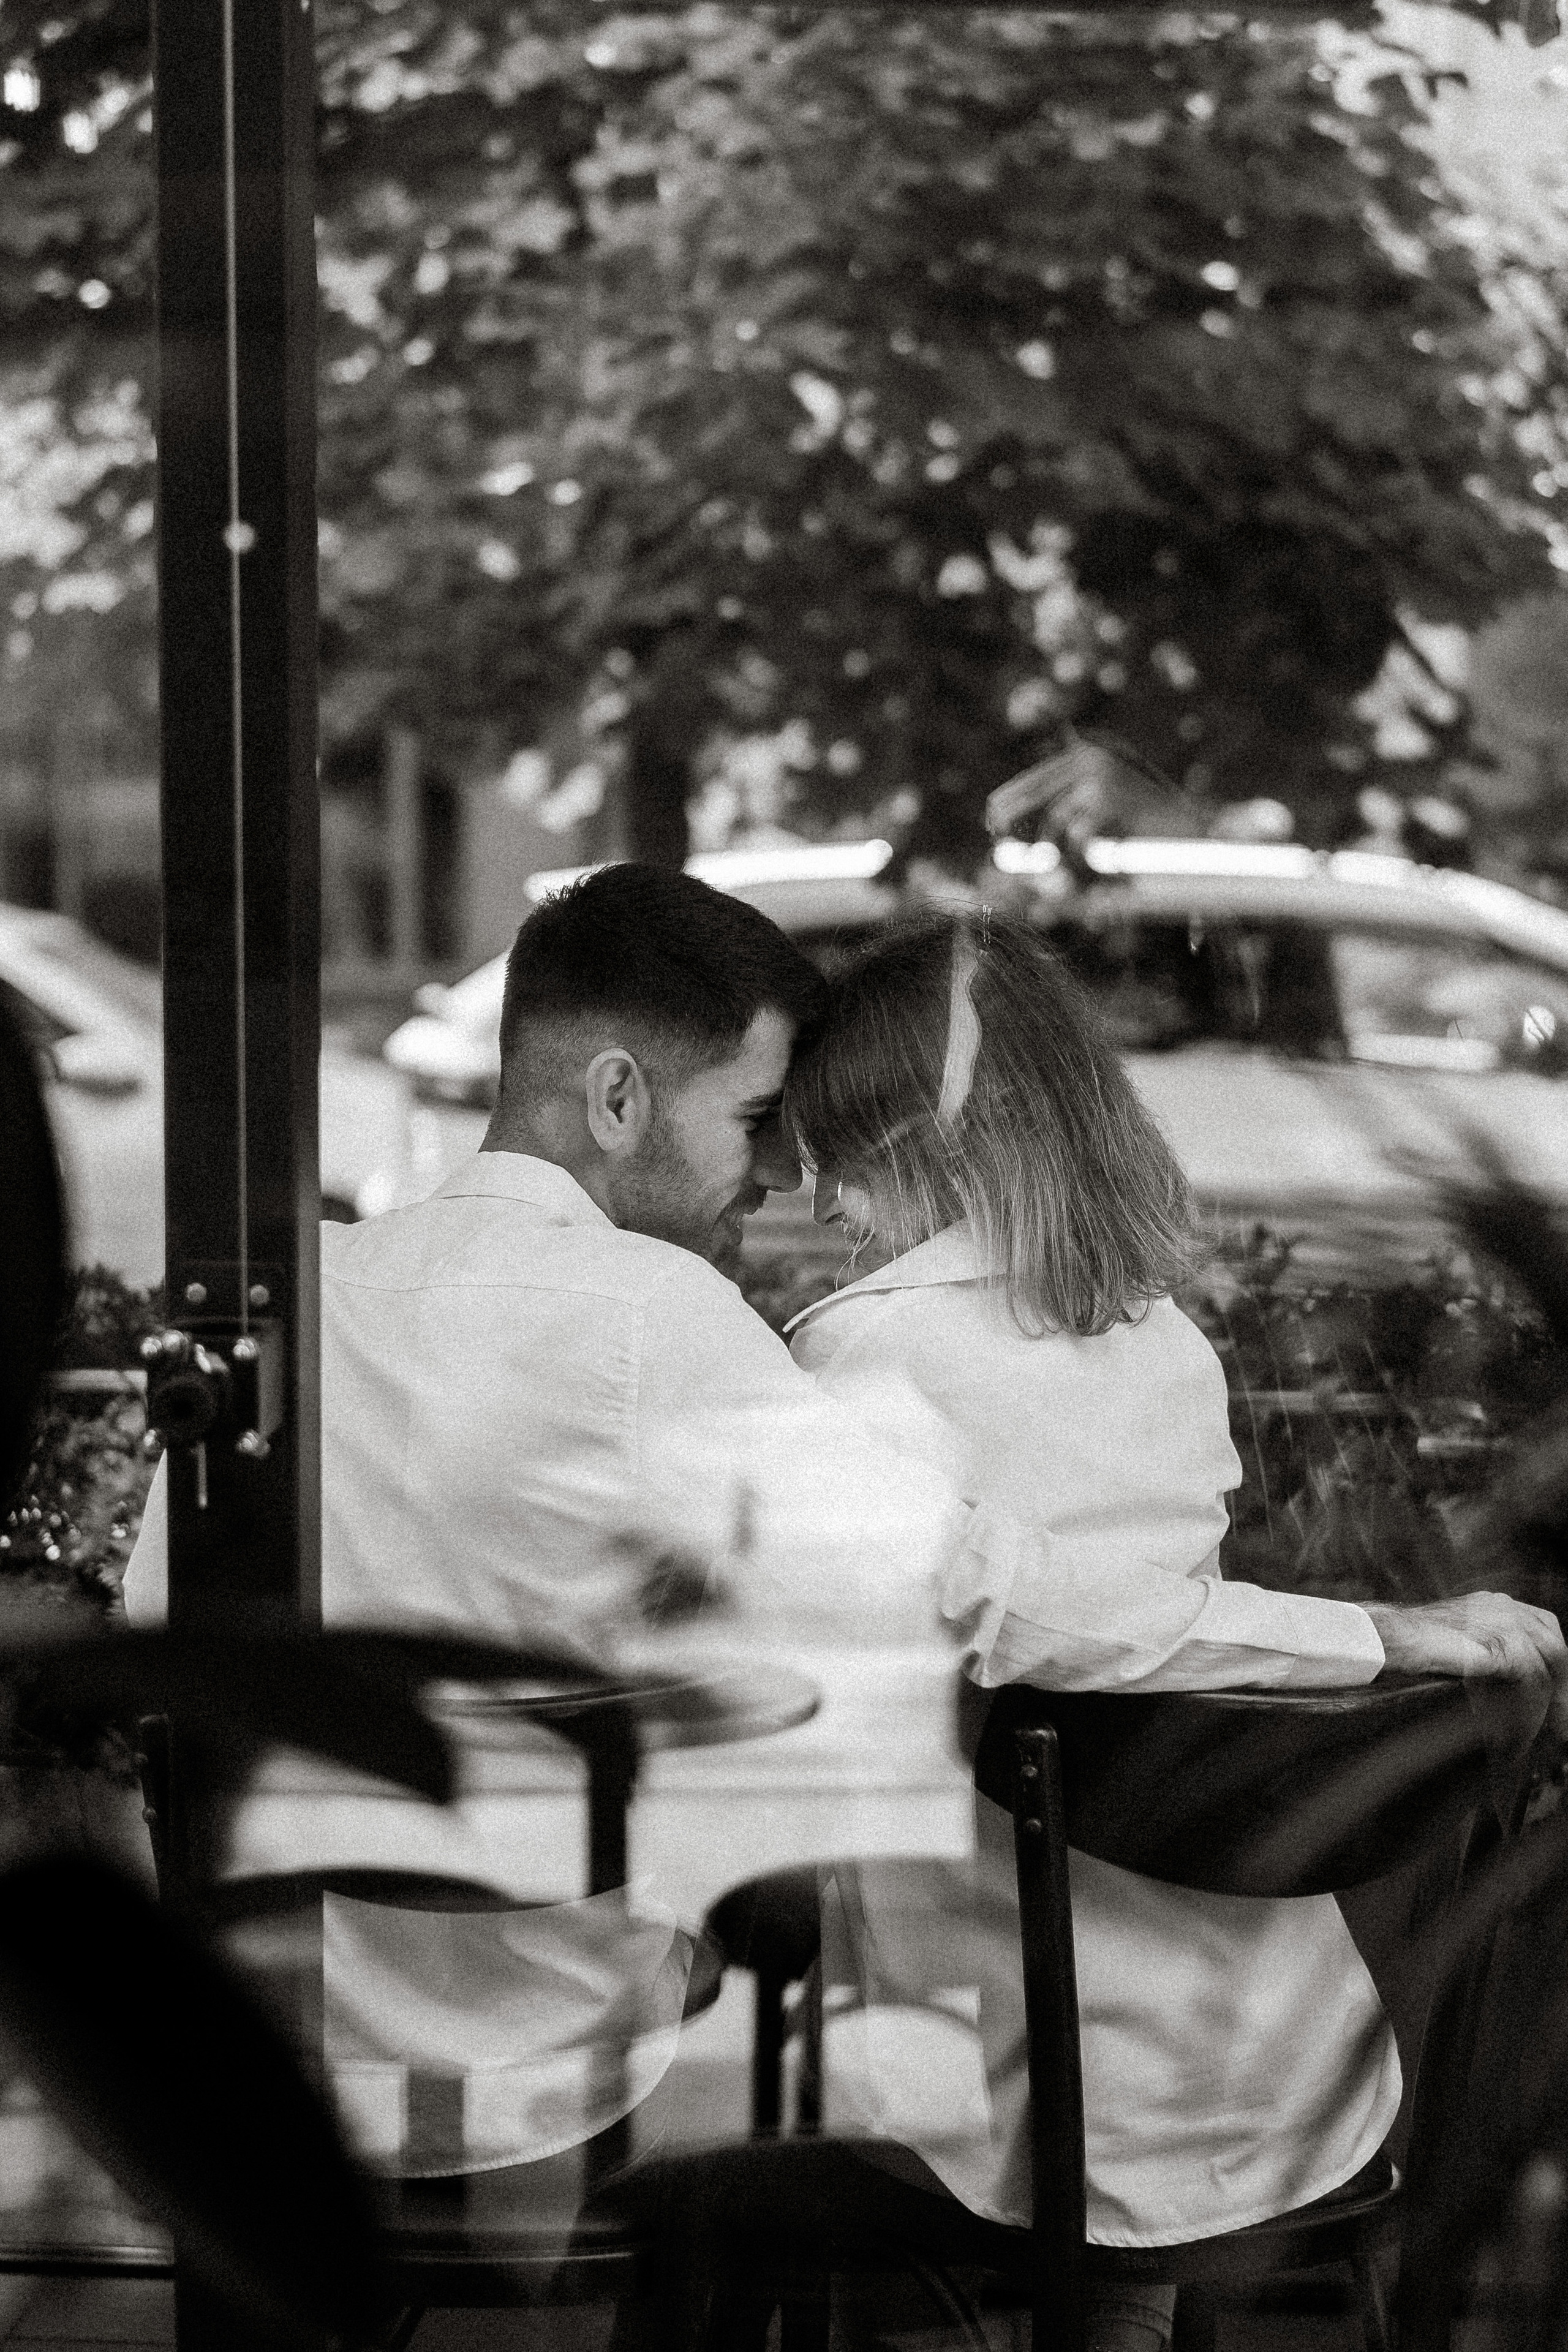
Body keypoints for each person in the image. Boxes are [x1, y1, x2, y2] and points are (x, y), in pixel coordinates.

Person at [124, 868, 1564, 2251]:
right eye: (751, 1118)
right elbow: (985, 1595)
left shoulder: (294, 1302)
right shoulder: (660, 1321)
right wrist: (1380, 1640)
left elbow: (147, 1624)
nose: (768, 1182)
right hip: (567, 2077)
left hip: (278, 2061)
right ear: (618, 1097)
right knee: (823, 1981)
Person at [775, 908, 1568, 2328]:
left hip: (1011, 2106)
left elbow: (993, 1626)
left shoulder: (857, 1351)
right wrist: (1380, 1634)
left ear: (916, 1140)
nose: (815, 1197)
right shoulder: (1168, 1347)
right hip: (1283, 2080)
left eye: (829, 1149)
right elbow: (1152, 1652)